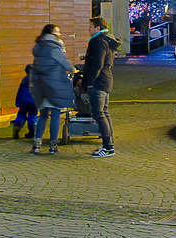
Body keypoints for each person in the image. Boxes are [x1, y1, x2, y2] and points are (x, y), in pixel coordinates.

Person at [29, 24, 74, 156]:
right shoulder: (54, 47)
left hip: (40, 85)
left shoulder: (39, 47)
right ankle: (53, 146)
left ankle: (36, 144)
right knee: (55, 114)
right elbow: (64, 63)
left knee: (42, 115)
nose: (59, 34)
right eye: (57, 31)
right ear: (51, 33)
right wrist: (73, 69)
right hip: (53, 85)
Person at [82, 15, 122, 159]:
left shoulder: (99, 42)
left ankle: (108, 147)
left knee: (99, 114)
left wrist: (90, 81)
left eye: (90, 27)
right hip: (105, 81)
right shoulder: (106, 40)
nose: (88, 29)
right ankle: (108, 144)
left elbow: (97, 64)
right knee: (104, 113)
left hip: (98, 82)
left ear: (97, 28)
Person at [12, 65, 38, 139]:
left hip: (23, 101)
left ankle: (17, 126)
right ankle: (32, 133)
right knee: (33, 117)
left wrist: (18, 102)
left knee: (21, 115)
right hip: (34, 102)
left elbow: (20, 92)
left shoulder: (24, 80)